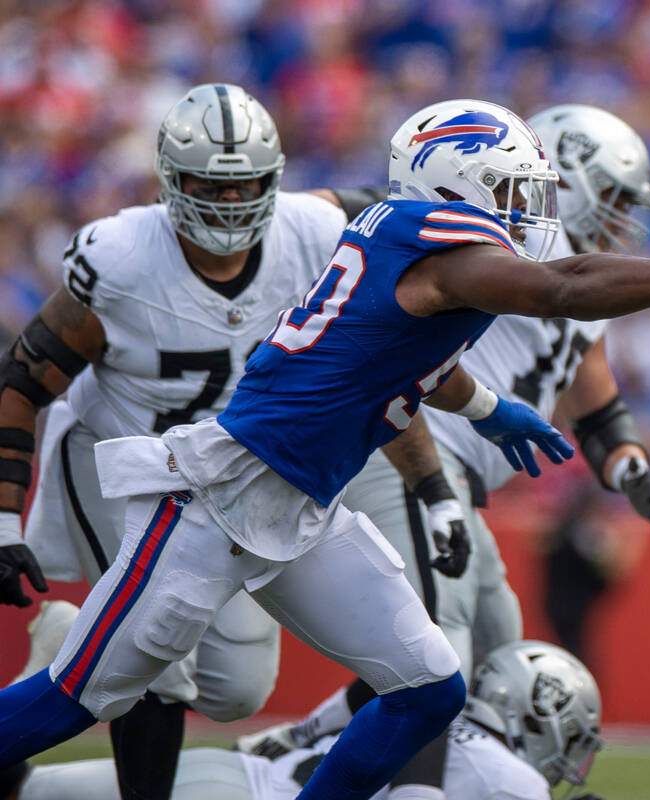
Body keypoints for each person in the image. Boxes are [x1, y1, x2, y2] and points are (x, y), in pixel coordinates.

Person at [0, 97, 650, 800]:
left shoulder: (408, 244)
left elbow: (405, 364)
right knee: (75, 698)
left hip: (306, 507)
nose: (524, 206)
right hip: (222, 497)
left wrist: (496, 408)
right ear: (452, 182)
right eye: (506, 186)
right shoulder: (428, 238)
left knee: (431, 689)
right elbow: (564, 288)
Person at [236, 103, 650, 798]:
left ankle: (358, 750)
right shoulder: (476, 236)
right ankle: (385, 780)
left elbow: (598, 402)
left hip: (469, 473)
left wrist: (633, 467)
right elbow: (365, 209)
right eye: (615, 195)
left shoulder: (582, 270)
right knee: (436, 651)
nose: (622, 214)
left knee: (498, 649)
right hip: (418, 447)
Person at [0, 82, 374, 800]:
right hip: (118, 460)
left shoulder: (317, 233)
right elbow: (19, 382)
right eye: (211, 183)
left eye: (247, 184)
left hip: (224, 484)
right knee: (153, 665)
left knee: (236, 688)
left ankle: (62, 653)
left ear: (275, 180)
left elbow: (396, 216)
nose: (230, 202)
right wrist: (2, 518)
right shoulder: (119, 258)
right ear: (172, 179)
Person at [2, 612, 604, 800]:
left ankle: (45, 670)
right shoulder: (514, 783)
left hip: (231, 774)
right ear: (540, 713)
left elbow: (345, 709)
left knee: (18, 787)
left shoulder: (413, 711)